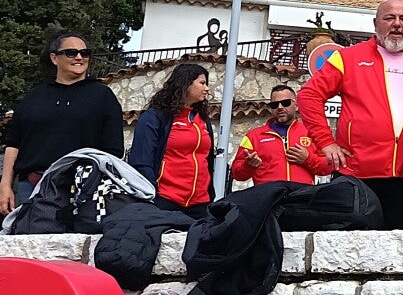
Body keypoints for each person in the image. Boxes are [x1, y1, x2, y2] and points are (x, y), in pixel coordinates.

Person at [299, 0, 403, 230]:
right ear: (375, 23)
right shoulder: (347, 58)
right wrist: (326, 142)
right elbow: (308, 96)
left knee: (399, 247)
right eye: (389, 18)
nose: (397, 24)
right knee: (351, 247)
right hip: (355, 176)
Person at [1, 31, 124, 214]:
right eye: (71, 53)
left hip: (82, 190)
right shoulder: (33, 97)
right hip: (31, 188)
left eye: (85, 53)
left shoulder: (103, 97)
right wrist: (5, 185)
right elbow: (13, 143)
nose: (79, 57)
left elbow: (113, 150)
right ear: (54, 58)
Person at [128, 64, 217, 218]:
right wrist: (152, 195)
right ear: (186, 84)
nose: (207, 89)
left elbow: (207, 159)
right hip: (165, 201)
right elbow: (142, 160)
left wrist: (210, 194)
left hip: (200, 203)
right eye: (202, 83)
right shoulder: (155, 117)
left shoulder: (202, 119)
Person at [234, 85, 331, 185]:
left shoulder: (312, 133)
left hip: (302, 193)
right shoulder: (253, 136)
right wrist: (248, 166)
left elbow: (329, 167)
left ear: (296, 105)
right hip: (269, 194)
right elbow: (236, 173)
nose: (280, 107)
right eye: (274, 104)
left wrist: (308, 159)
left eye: (285, 103)